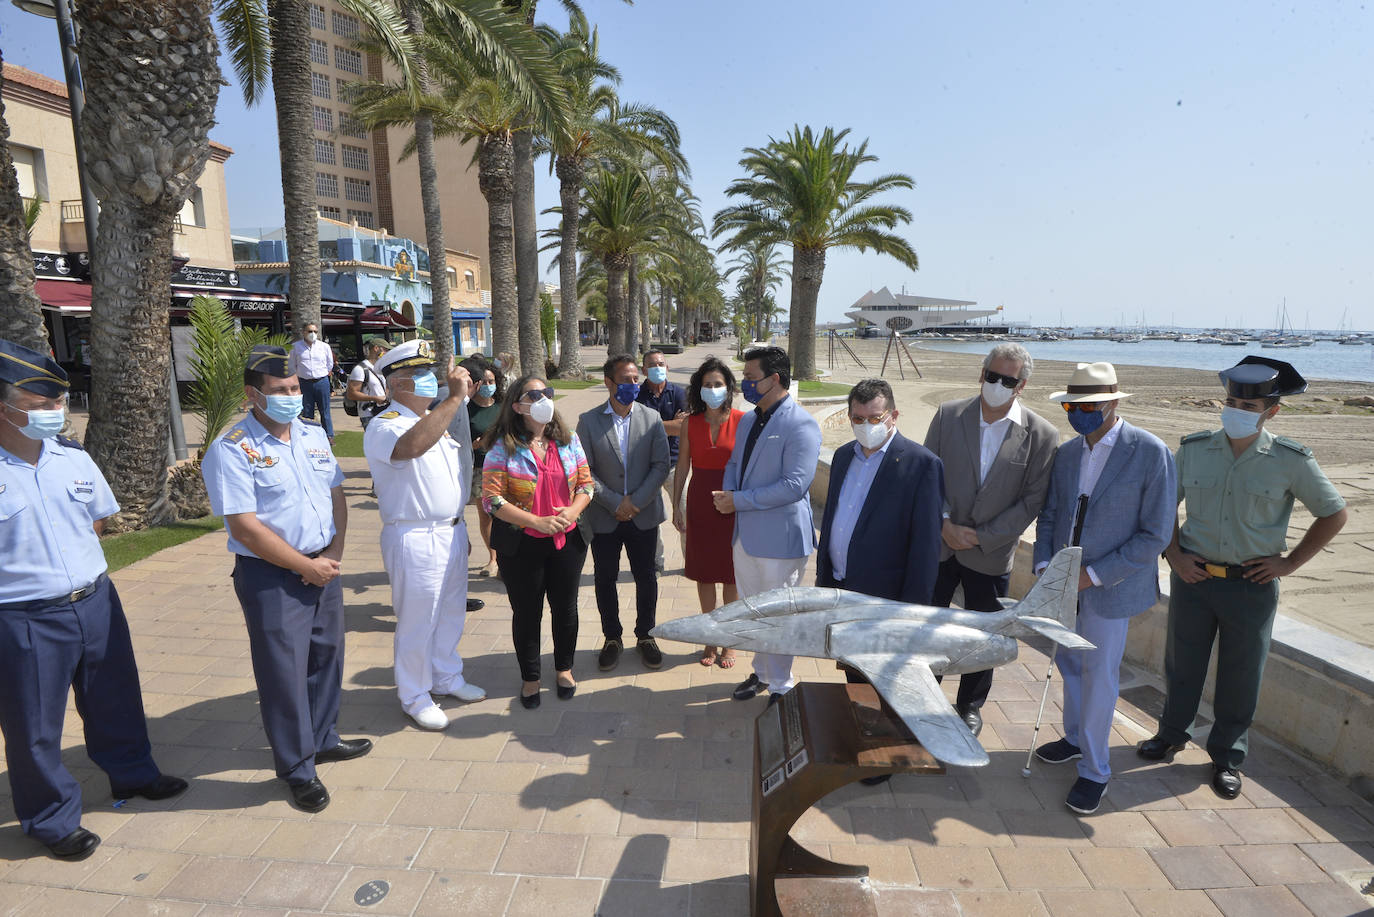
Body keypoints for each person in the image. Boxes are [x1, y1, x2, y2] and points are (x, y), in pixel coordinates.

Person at [0, 339, 187, 860]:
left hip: (96, 600)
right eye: (40, 405)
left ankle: (133, 774)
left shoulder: (72, 457)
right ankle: (51, 819)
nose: (55, 413)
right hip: (24, 616)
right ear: (4, 409)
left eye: (58, 402)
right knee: (35, 726)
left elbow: (97, 520)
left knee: (115, 697)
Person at [1139, 356, 1347, 799]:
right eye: (1232, 402)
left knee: (1242, 675)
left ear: (1272, 411)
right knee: (1182, 665)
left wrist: (1289, 564)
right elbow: (1163, 505)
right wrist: (1174, 555)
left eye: (1248, 407)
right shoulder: (1195, 449)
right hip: (1194, 579)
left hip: (1252, 586)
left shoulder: (1290, 459)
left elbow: (1334, 513)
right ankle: (1171, 735)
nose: (1236, 411)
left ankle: (1227, 758)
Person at [201, 344, 371, 814]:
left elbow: (336, 494)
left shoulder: (313, 435)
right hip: (272, 576)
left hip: (323, 565)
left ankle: (323, 738)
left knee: (326, 657)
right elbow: (244, 527)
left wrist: (333, 553)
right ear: (252, 395)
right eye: (280, 390)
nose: (292, 397)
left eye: (295, 388)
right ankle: (298, 768)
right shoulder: (234, 449)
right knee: (284, 674)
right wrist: (303, 565)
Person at [1032, 362, 1176, 815]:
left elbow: (1155, 534)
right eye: (1072, 407)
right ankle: (1075, 738)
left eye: (1089, 406)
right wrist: (1045, 565)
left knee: (1099, 676)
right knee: (1070, 665)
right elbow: (1051, 514)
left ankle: (1095, 771)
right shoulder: (1067, 453)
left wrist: (1092, 576)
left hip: (1110, 589)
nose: (1080, 413)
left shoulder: (1149, 452)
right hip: (1064, 585)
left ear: (1113, 403)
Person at [922, 343, 1058, 734]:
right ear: (981, 374)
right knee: (928, 625)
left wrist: (982, 537)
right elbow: (928, 475)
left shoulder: (1042, 435)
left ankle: (970, 704)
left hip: (991, 554)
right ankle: (924, 692)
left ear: (1022, 385)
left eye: (1008, 380)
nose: (997, 384)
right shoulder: (948, 415)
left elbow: (1032, 499)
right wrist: (944, 523)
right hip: (941, 545)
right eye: (992, 376)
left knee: (986, 633)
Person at [364, 341, 487, 732]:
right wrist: (454, 398)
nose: (428, 380)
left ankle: (446, 676)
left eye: (428, 373)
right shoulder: (385, 425)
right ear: (396, 385)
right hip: (414, 535)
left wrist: (459, 526)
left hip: (449, 530)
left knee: (450, 612)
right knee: (418, 621)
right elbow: (411, 447)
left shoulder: (433, 419)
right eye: (417, 375)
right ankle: (415, 695)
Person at [716, 345, 822, 702]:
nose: (743, 384)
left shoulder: (801, 423)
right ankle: (762, 673)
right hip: (745, 535)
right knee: (754, 611)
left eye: (750, 377)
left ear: (774, 379)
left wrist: (738, 500)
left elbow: (794, 485)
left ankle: (781, 684)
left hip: (780, 539)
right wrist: (728, 492)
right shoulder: (748, 420)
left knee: (778, 616)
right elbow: (735, 463)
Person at [482, 375, 594, 708]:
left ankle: (564, 669)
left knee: (565, 608)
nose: (544, 399)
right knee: (527, 612)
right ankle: (530, 677)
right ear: (517, 406)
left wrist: (572, 512)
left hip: (568, 540)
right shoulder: (502, 446)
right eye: (534, 395)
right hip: (521, 545)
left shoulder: (568, 440)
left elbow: (586, 484)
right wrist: (536, 521)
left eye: (547, 392)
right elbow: (492, 500)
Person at [576, 355, 671, 672]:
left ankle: (646, 634)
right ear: (609, 382)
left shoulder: (651, 418)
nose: (633, 385)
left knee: (646, 576)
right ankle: (612, 638)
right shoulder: (588, 421)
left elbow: (660, 465)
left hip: (644, 514)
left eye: (635, 379)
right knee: (605, 578)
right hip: (605, 516)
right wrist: (616, 503)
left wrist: (635, 502)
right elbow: (585, 470)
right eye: (626, 380)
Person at [672, 357, 745, 667]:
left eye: (718, 384)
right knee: (704, 573)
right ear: (698, 389)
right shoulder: (690, 423)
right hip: (700, 500)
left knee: (730, 574)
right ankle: (710, 636)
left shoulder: (743, 420)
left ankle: (729, 639)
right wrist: (677, 504)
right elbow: (682, 465)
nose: (713, 389)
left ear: (728, 388)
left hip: (732, 502)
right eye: (707, 384)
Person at [637, 348, 688, 572]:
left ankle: (691, 561)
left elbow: (682, 428)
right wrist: (670, 425)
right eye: (652, 365)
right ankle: (656, 562)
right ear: (643, 370)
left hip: (675, 465)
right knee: (651, 520)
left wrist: (653, 426)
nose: (657, 368)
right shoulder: (637, 396)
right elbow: (636, 429)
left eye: (660, 364)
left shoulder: (679, 394)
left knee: (685, 514)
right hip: (646, 467)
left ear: (667, 367)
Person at [467, 357, 503, 577]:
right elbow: (459, 442)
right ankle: (493, 559)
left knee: (505, 514)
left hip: (505, 469)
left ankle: (507, 559)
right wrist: (476, 444)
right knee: (487, 516)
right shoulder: (466, 409)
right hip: (480, 469)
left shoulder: (503, 407)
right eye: (485, 382)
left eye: (492, 381)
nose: (489, 386)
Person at [288, 321, 335, 441]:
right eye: (310, 331)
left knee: (325, 410)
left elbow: (329, 364)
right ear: (303, 332)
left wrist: (322, 374)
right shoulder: (295, 347)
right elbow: (292, 365)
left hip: (322, 382)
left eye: (315, 331)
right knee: (307, 410)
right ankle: (308, 437)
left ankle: (329, 436)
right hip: (304, 383)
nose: (312, 334)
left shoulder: (324, 347)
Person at [345, 337, 392, 428]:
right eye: (385, 350)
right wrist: (375, 398)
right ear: (376, 348)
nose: (387, 353)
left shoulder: (381, 367)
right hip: (368, 414)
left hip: (383, 411)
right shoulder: (360, 369)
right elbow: (351, 394)